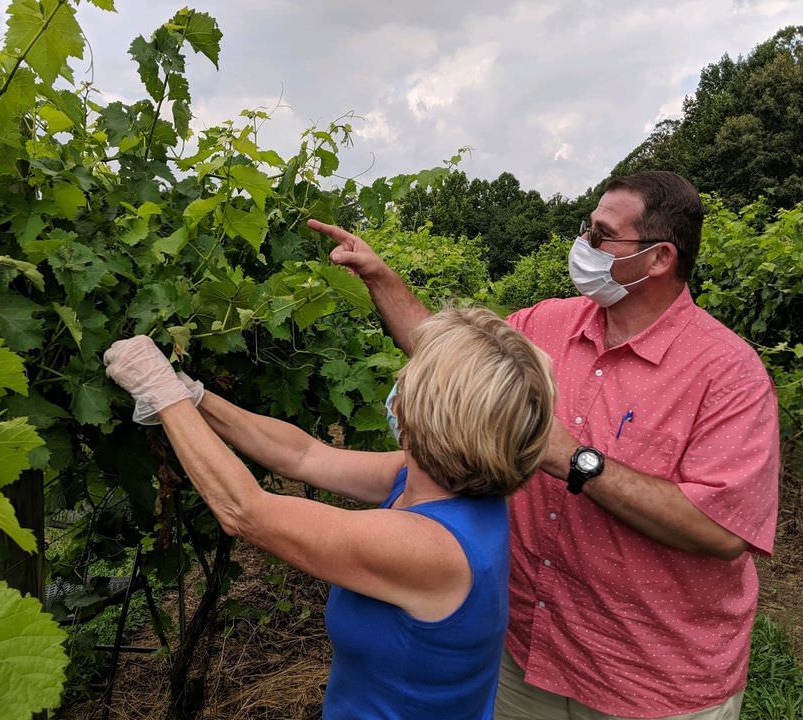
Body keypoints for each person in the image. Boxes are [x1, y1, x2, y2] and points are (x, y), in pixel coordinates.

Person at [308, 170, 780, 720]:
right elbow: (451, 360)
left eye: (603, 235)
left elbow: (724, 531)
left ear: (658, 259)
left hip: (650, 682)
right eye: (588, 227)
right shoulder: (547, 323)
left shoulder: (727, 374)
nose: (585, 244)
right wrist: (381, 279)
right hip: (525, 651)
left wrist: (574, 458)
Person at [104, 308, 557, 720]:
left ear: (432, 414)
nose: (399, 382)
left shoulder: (430, 548)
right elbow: (303, 456)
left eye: (410, 375)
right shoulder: (438, 480)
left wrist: (163, 394)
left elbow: (245, 510)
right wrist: (197, 397)